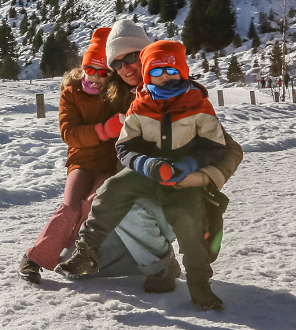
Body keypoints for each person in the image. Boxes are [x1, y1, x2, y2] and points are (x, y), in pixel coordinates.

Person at [57, 40, 243, 311]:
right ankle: (87, 251)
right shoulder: (140, 104)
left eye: (169, 71)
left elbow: (218, 148)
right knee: (110, 191)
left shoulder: (197, 105)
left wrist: (193, 167)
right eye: (155, 72)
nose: (163, 77)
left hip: (183, 179)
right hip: (147, 173)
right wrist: (146, 164)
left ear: (182, 71)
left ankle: (199, 284)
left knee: (189, 222)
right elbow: (125, 146)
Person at [18, 28, 122, 283]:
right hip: (82, 160)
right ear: (83, 68)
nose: (95, 78)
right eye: (90, 70)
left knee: (93, 205)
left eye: (102, 72)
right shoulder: (71, 92)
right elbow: (69, 133)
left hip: (110, 164)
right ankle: (34, 258)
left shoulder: (119, 94)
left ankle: (79, 256)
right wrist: (104, 130)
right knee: (71, 206)